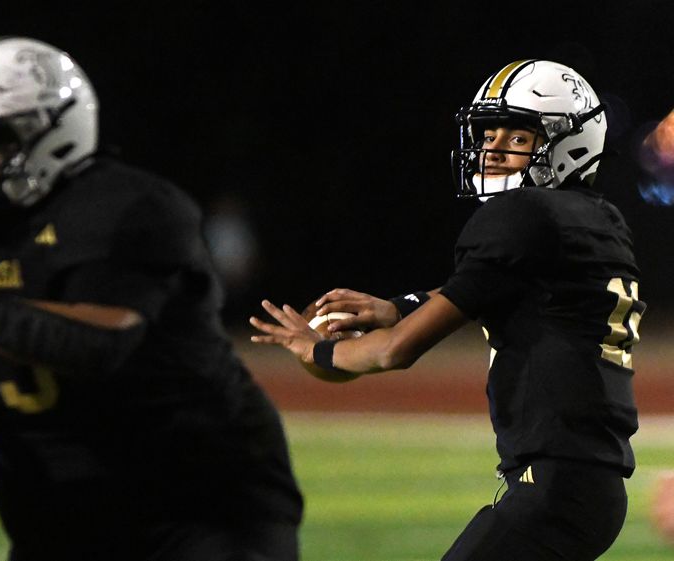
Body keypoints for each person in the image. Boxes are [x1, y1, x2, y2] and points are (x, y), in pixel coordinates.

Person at [0, 36, 303, 561]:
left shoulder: (124, 209)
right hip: (57, 521)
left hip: (197, 508)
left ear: (54, 133)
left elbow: (96, 343)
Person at [251, 59, 645, 561]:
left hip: (555, 489)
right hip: (585, 487)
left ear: (569, 143)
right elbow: (493, 285)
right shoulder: (597, 219)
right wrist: (398, 306)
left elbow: (396, 353)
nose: (492, 149)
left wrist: (316, 349)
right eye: (490, 133)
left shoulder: (520, 215)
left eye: (518, 138)